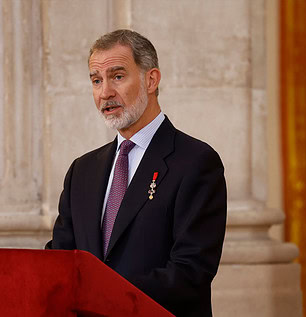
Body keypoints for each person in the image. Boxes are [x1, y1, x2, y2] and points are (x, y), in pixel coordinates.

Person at [46, 29, 227, 317]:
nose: (105, 92)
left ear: (151, 79)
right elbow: (61, 259)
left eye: (117, 76)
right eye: (96, 80)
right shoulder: (82, 170)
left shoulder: (196, 162)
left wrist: (103, 294)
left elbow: (191, 272)